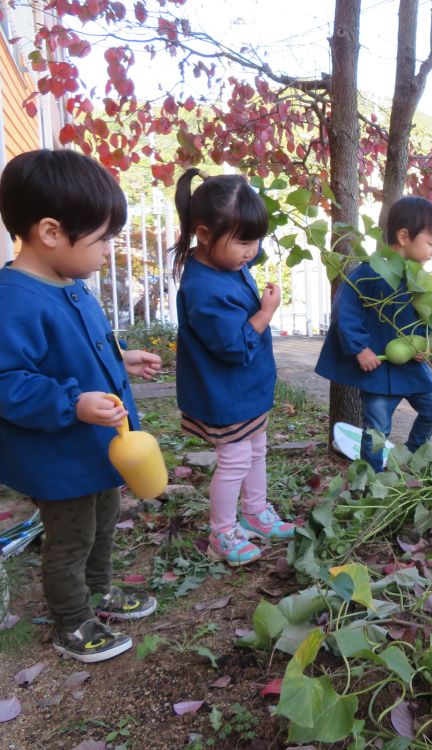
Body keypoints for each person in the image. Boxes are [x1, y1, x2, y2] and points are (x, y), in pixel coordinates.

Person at [0, 149, 161, 662]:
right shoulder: (15, 300)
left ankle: (102, 592)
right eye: (101, 240)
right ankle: (72, 622)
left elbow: (85, 344)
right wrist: (73, 402)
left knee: (106, 519)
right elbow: (8, 380)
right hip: (60, 457)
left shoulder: (71, 284)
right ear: (50, 232)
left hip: (98, 449)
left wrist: (122, 357)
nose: (108, 252)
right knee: (70, 537)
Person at [173, 169, 294, 568]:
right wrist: (266, 312)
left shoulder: (221, 261)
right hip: (224, 392)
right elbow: (234, 345)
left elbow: (245, 247)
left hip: (245, 390)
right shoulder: (205, 289)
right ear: (204, 234)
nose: (252, 251)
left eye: (255, 239)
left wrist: (247, 224)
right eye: (244, 241)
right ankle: (222, 532)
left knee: (256, 447)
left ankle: (255, 512)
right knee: (235, 459)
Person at [315, 196, 432, 472]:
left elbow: (428, 315)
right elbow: (344, 313)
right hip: (376, 369)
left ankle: (409, 455)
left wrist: (426, 343)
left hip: (411, 365)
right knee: (377, 428)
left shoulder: (419, 279)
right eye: (431, 242)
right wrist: (359, 348)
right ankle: (372, 475)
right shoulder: (368, 273)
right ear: (403, 236)